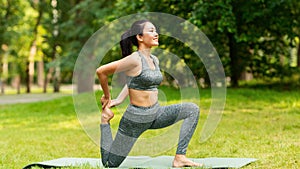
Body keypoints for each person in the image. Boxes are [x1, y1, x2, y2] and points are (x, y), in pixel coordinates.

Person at [96, 19, 201, 168]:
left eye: (156, 30)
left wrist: (119, 99)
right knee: (110, 164)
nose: (156, 33)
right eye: (151, 31)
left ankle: (180, 158)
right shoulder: (134, 59)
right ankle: (104, 121)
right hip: (136, 119)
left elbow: (135, 79)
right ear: (140, 37)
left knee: (192, 109)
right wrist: (107, 97)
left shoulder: (154, 60)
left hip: (156, 113)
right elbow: (101, 71)